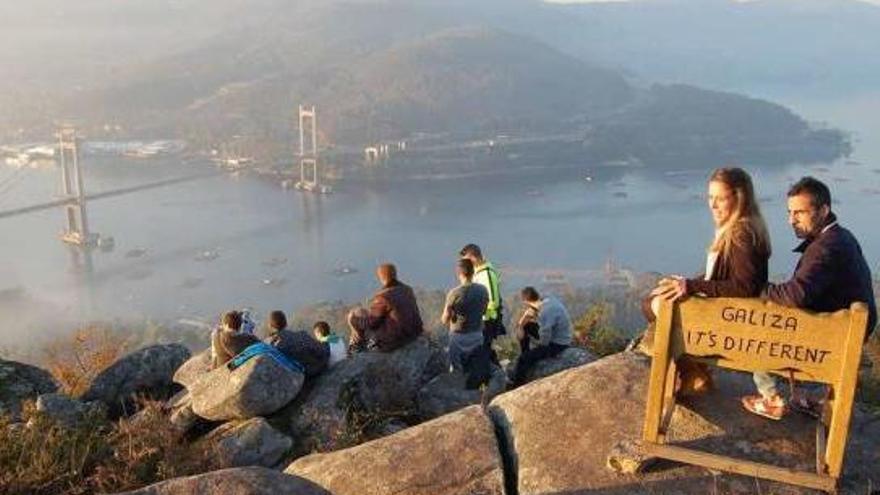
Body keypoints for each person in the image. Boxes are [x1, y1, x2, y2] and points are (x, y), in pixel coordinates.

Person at [742, 177, 877, 420]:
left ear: (824, 210)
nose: (791, 219)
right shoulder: (839, 237)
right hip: (845, 332)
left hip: (833, 339)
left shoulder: (826, 247)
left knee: (758, 326)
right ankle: (809, 397)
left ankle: (771, 397)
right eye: (790, 212)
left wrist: (757, 288)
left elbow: (797, 294)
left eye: (799, 212)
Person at [643, 167, 773, 394]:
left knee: (654, 304)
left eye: (720, 198)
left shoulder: (741, 233)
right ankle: (695, 370)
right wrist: (685, 282)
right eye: (710, 197)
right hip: (731, 312)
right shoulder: (743, 227)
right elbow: (725, 277)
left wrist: (691, 286)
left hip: (731, 319)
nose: (712, 205)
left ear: (739, 198)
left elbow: (745, 286)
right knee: (661, 294)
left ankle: (691, 373)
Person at [347, 263, 424, 354]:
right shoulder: (407, 290)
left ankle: (353, 353)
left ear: (380, 277)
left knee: (357, 315)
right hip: (414, 334)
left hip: (395, 341)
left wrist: (353, 320)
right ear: (395, 274)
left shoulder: (383, 296)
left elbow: (372, 323)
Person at [512, 286, 572, 386]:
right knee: (527, 326)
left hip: (557, 343)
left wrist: (537, 347)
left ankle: (517, 386)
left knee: (522, 360)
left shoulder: (546, 312)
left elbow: (545, 340)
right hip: (554, 335)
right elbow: (529, 314)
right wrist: (520, 326)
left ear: (526, 301)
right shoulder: (547, 300)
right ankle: (526, 353)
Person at [442, 258, 489, 376]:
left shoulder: (454, 294)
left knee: (458, 373)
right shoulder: (483, 290)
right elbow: (484, 311)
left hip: (458, 338)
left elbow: (444, 319)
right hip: (477, 335)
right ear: (473, 272)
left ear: (459, 273)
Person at [459, 244, 505, 360]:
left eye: (466, 260)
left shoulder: (486, 274)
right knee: (485, 352)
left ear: (473, 258)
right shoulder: (477, 273)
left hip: (487, 321)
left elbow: (493, 301)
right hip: (481, 320)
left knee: (483, 351)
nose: (465, 264)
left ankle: (491, 375)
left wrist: (480, 315)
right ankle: (496, 374)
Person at [265, 310, 329, 378]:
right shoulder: (302, 334)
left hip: (307, 374)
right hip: (323, 364)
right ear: (286, 324)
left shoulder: (274, 346)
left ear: (270, 326)